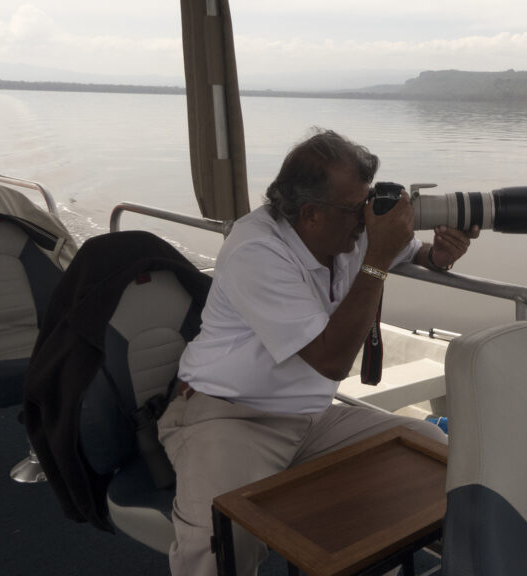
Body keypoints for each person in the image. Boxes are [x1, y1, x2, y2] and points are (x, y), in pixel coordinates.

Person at [157, 128, 478, 576]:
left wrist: (438, 255)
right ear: (310, 214)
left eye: (369, 204)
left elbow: (413, 252)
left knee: (433, 454)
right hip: (228, 416)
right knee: (222, 543)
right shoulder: (258, 249)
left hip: (308, 417)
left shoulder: (342, 230)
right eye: (356, 209)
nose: (367, 219)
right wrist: (377, 261)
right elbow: (330, 360)